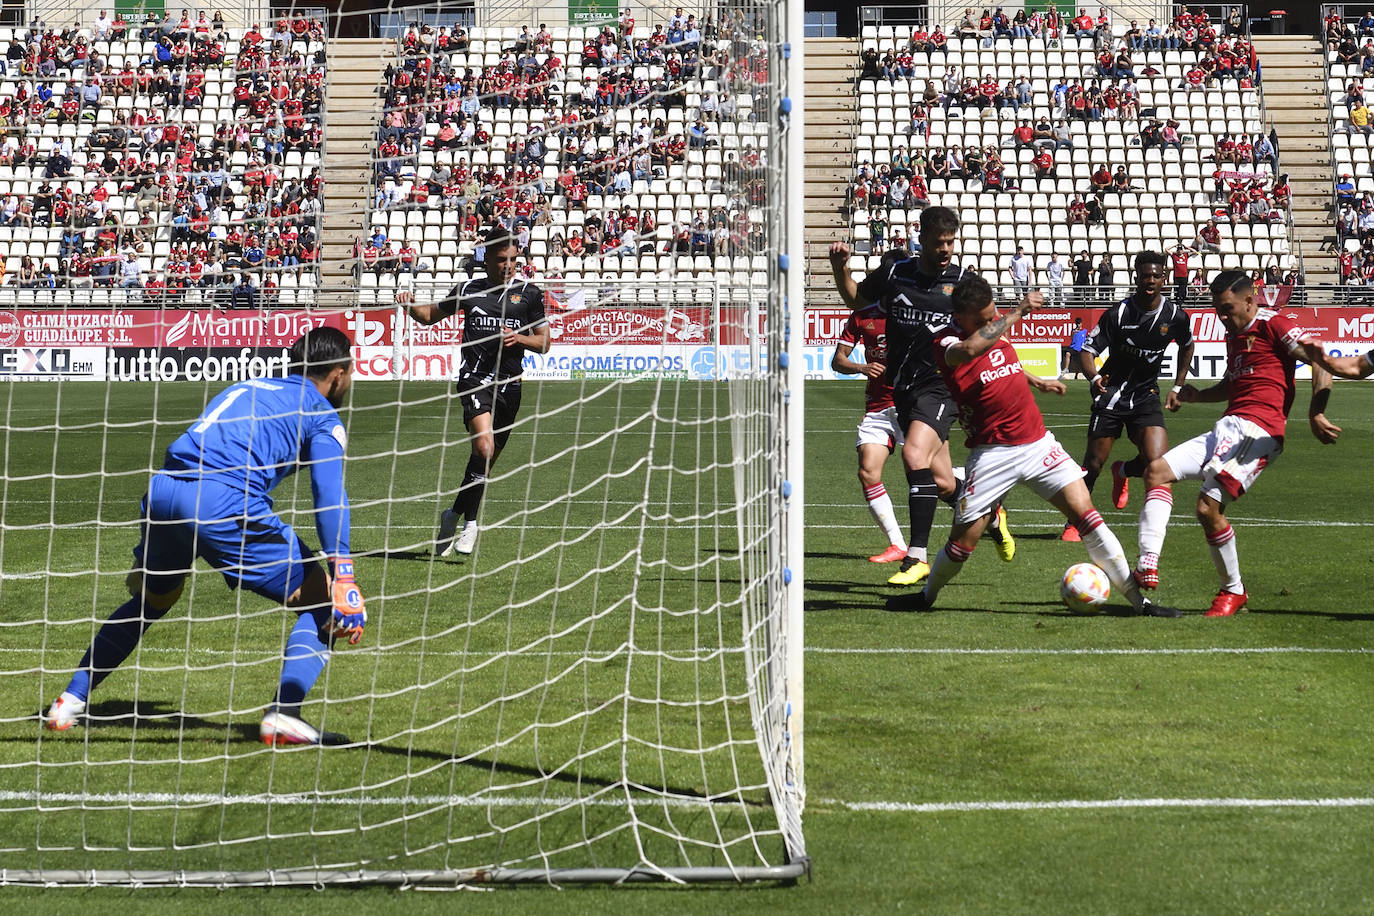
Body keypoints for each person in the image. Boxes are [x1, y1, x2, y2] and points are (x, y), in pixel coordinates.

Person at [44, 330, 366, 746]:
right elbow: (328, 494)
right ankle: (285, 714)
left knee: (153, 601)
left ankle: (70, 700)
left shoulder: (247, 386)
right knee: (325, 602)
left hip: (165, 491)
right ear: (338, 374)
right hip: (222, 502)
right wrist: (344, 573)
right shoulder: (322, 415)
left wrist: (146, 552)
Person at [886, 276, 1178, 618]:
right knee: (963, 543)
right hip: (993, 454)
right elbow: (972, 350)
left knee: (1089, 518)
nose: (991, 323)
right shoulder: (946, 341)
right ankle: (926, 596)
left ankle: (1139, 603)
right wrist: (1017, 312)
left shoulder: (988, 327)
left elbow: (1000, 359)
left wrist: (1037, 380)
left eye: (993, 315)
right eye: (983, 320)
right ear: (962, 317)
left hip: (1038, 444)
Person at [1133, 271, 1342, 615]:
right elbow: (1234, 384)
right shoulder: (1235, 335)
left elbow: (1322, 361)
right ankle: (1148, 562)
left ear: (1250, 300)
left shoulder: (1274, 325)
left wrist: (1316, 412)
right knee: (1156, 472)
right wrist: (1196, 396)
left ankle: (1233, 590)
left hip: (1259, 431)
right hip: (1229, 427)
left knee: (1207, 508)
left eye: (1228, 309)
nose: (1223, 318)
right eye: (1218, 311)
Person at [829, 206, 1014, 587]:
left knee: (913, 455)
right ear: (922, 237)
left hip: (942, 387)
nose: (946, 249)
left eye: (951, 242)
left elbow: (992, 323)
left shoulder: (964, 282)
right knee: (944, 482)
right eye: (939, 242)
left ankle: (915, 556)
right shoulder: (896, 273)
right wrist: (840, 268)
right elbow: (856, 302)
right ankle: (992, 515)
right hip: (904, 389)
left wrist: (1011, 367)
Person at [398, 229, 551, 557]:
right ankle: (471, 524)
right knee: (484, 447)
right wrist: (410, 305)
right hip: (474, 380)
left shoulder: (529, 294)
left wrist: (520, 339)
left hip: (511, 387)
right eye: (501, 260)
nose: (508, 266)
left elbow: (545, 342)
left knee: (484, 462)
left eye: (513, 260)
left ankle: (452, 515)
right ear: (487, 260)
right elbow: (429, 316)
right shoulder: (469, 290)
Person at [1062, 252, 1194, 543]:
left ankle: (1122, 471)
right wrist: (1095, 377)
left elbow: (1187, 345)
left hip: (1146, 395)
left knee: (1156, 461)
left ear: (1165, 279)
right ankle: (1075, 521)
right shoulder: (1118, 314)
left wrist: (1177, 386)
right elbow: (1088, 351)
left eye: (1156, 276)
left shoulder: (1175, 316)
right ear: (1136, 278)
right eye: (1145, 275)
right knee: (1092, 465)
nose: (1150, 280)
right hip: (1112, 395)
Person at [831, 291, 907, 563]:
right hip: (877, 407)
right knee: (867, 472)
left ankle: (978, 490)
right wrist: (862, 367)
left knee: (935, 475)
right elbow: (837, 361)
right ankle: (898, 545)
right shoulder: (863, 316)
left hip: (910, 403)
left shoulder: (914, 312)